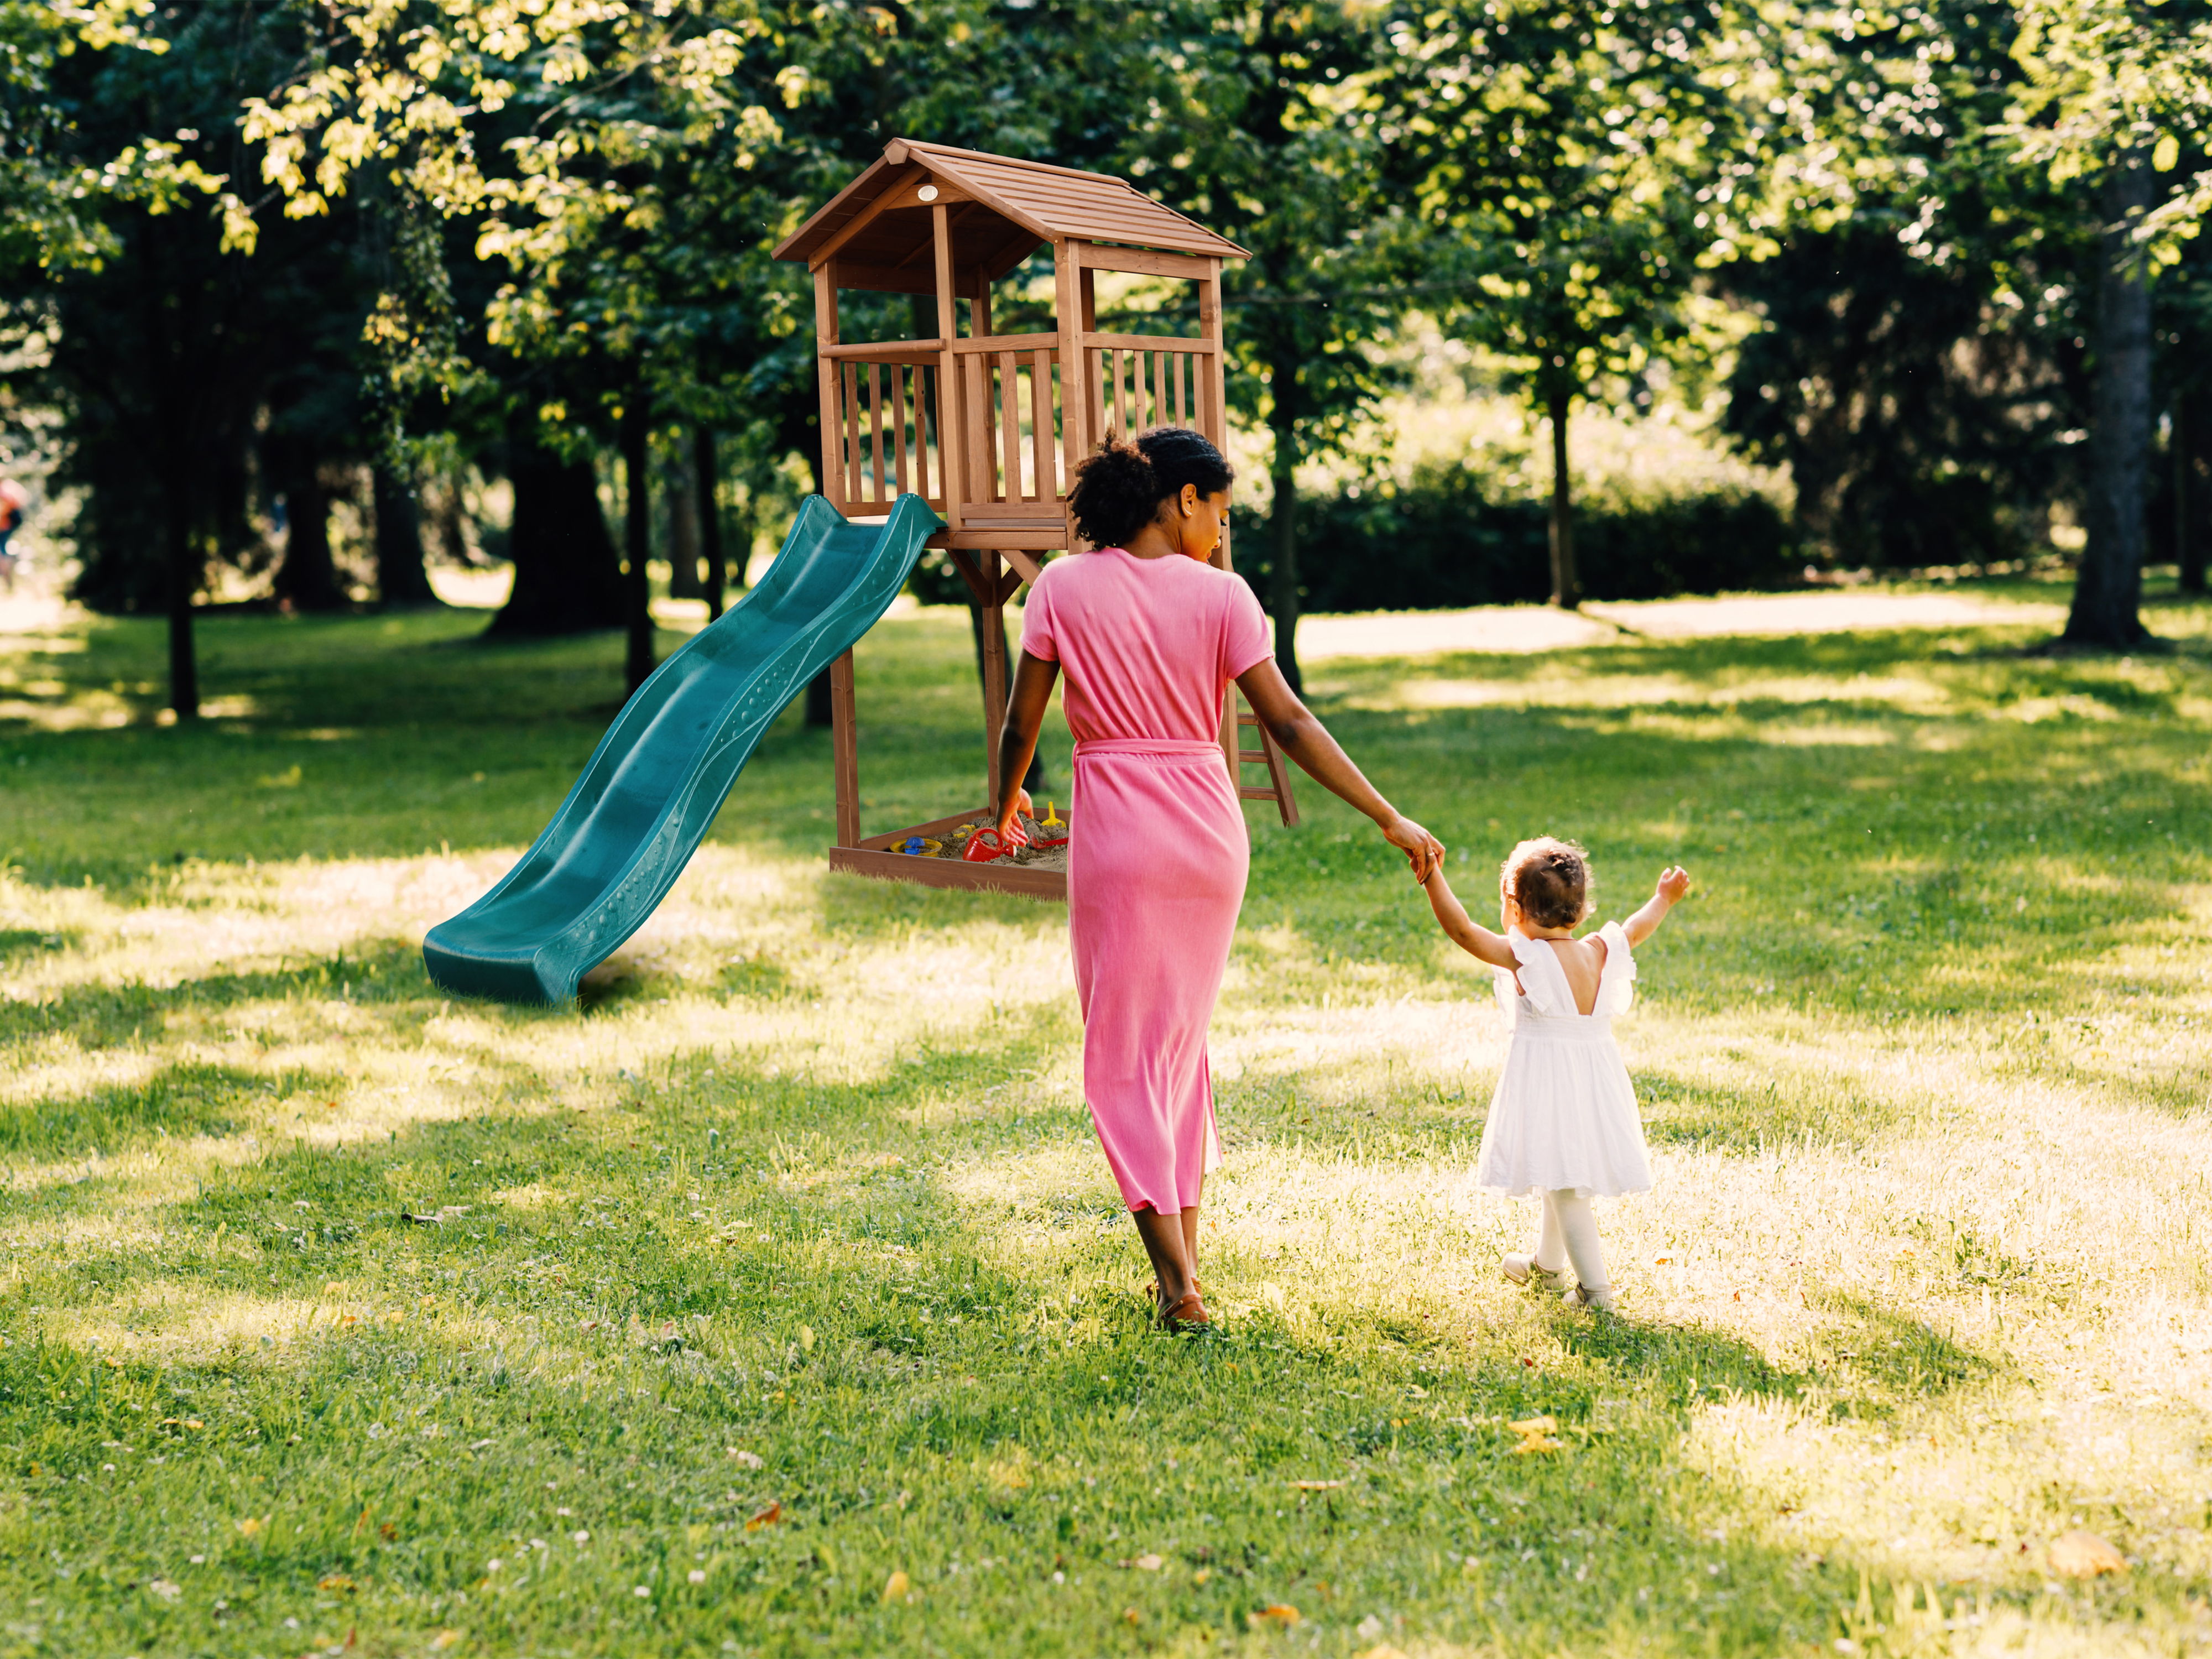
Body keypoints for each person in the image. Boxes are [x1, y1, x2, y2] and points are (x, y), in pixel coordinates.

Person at [991, 427, 1443, 1331]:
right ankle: (1185, 1268)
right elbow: (1288, 723)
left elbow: (1021, 725)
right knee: (1177, 1053)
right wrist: (1386, 813)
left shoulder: (1061, 588)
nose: (1223, 536)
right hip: (1208, 838)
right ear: (1184, 499)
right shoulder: (1225, 598)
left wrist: (1002, 809)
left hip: (1119, 837)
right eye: (1222, 514)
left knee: (1123, 1058)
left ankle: (1177, 1286)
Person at [1418, 838, 1691, 1311]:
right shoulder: (1599, 950)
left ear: (1515, 908)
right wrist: (1663, 898)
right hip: (1594, 1082)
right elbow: (1636, 927)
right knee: (1556, 1170)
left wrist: (1431, 876)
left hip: (1551, 1084)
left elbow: (1462, 931)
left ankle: (1596, 1292)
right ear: (1581, 911)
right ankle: (1547, 1267)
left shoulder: (1527, 958)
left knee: (1566, 1189)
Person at [0, 478, 27, 595]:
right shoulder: (8, 486)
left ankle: (6, 575)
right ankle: (7, 577)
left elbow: (5, 509)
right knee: (3, 549)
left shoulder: (4, 491)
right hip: (10, 523)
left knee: (2, 550)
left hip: (7, 524)